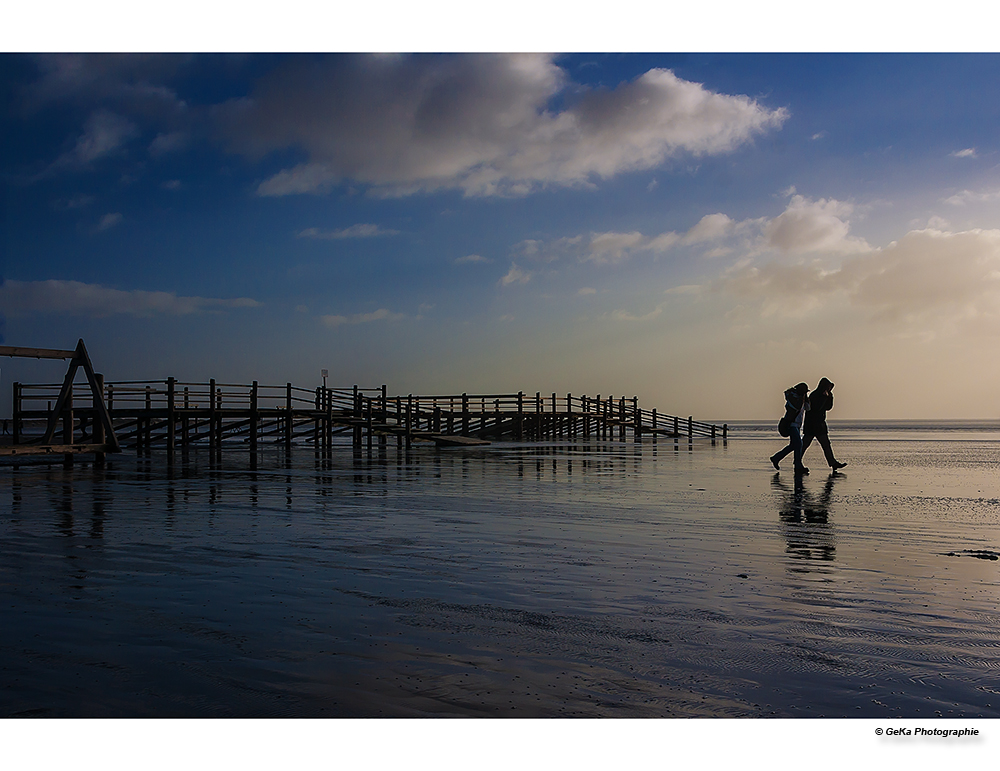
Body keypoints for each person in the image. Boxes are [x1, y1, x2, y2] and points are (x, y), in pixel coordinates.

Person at [802, 377, 847, 470]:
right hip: (812, 424)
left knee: (825, 444)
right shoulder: (815, 395)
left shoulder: (823, 395)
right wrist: (825, 397)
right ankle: (796, 461)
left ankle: (833, 463)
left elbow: (828, 407)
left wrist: (830, 397)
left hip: (819, 424)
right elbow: (817, 408)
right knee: (805, 444)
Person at [770, 382, 810, 474]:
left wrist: (806, 398)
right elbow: (797, 407)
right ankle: (798, 465)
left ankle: (776, 458)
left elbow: (808, 408)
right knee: (799, 444)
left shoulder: (802, 399)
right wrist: (802, 398)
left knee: (794, 445)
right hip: (791, 424)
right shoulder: (792, 398)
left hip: (797, 425)